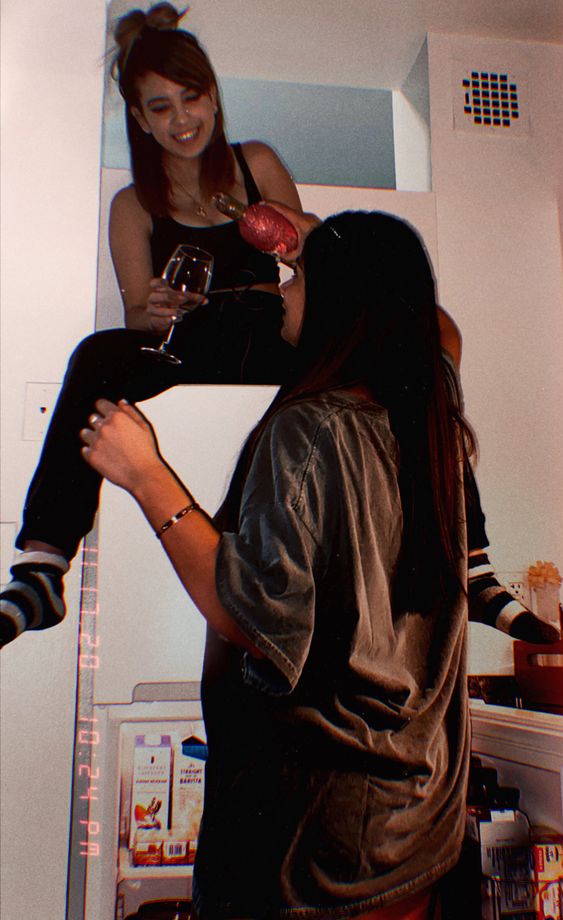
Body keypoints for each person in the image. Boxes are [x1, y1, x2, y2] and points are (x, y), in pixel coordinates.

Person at [80, 210, 472, 919]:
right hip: (414, 837)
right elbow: (442, 330)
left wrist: (146, 476)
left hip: (313, 853)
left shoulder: (311, 426)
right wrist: (322, 241)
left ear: (340, 299)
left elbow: (253, 619)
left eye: (297, 278)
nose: (283, 290)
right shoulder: (430, 417)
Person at [0, 3, 302, 646]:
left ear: (213, 97)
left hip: (265, 334)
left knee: (388, 343)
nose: (181, 119)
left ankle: (466, 558)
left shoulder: (258, 162)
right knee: (98, 353)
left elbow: (312, 256)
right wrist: (158, 307)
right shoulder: (132, 203)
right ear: (139, 118)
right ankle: (43, 566)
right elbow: (138, 310)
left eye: (190, 98)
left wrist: (255, 216)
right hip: (191, 344)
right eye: (159, 107)